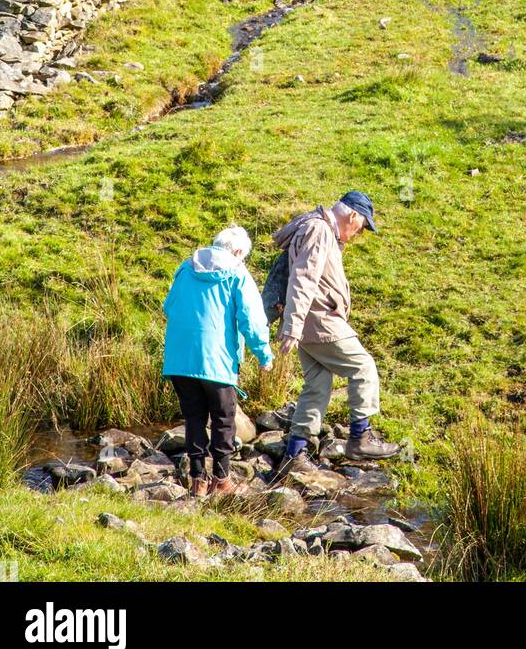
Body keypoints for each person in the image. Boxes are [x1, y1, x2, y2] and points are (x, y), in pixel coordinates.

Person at [270, 191, 399, 482]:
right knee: (363, 367)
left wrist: (294, 325)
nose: (358, 233)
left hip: (308, 324)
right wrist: (292, 325)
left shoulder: (315, 226)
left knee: (317, 384)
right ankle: (360, 437)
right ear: (352, 215)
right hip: (319, 322)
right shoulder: (320, 230)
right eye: (362, 226)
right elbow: (303, 279)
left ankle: (295, 454)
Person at [163, 224, 273, 497]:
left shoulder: (185, 268)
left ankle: (198, 481)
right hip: (218, 362)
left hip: (180, 360)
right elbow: (252, 320)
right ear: (237, 251)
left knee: (194, 419)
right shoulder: (238, 274)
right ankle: (222, 480)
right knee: (224, 419)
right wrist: (264, 355)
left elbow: (168, 306)